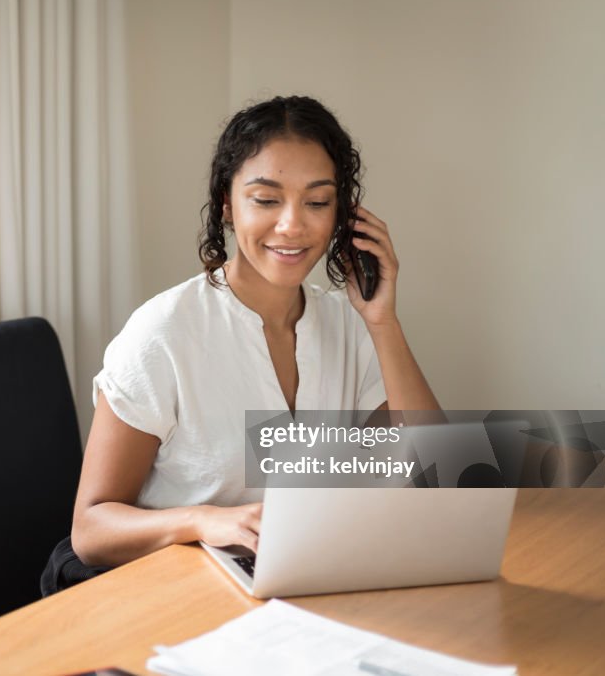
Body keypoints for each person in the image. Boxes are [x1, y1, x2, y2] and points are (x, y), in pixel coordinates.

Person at [60, 95, 440, 583]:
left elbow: (431, 478)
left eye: (318, 202)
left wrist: (383, 322)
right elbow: (91, 529)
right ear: (227, 204)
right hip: (173, 590)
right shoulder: (164, 332)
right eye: (265, 199)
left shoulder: (349, 324)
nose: (292, 225)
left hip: (299, 579)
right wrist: (206, 520)